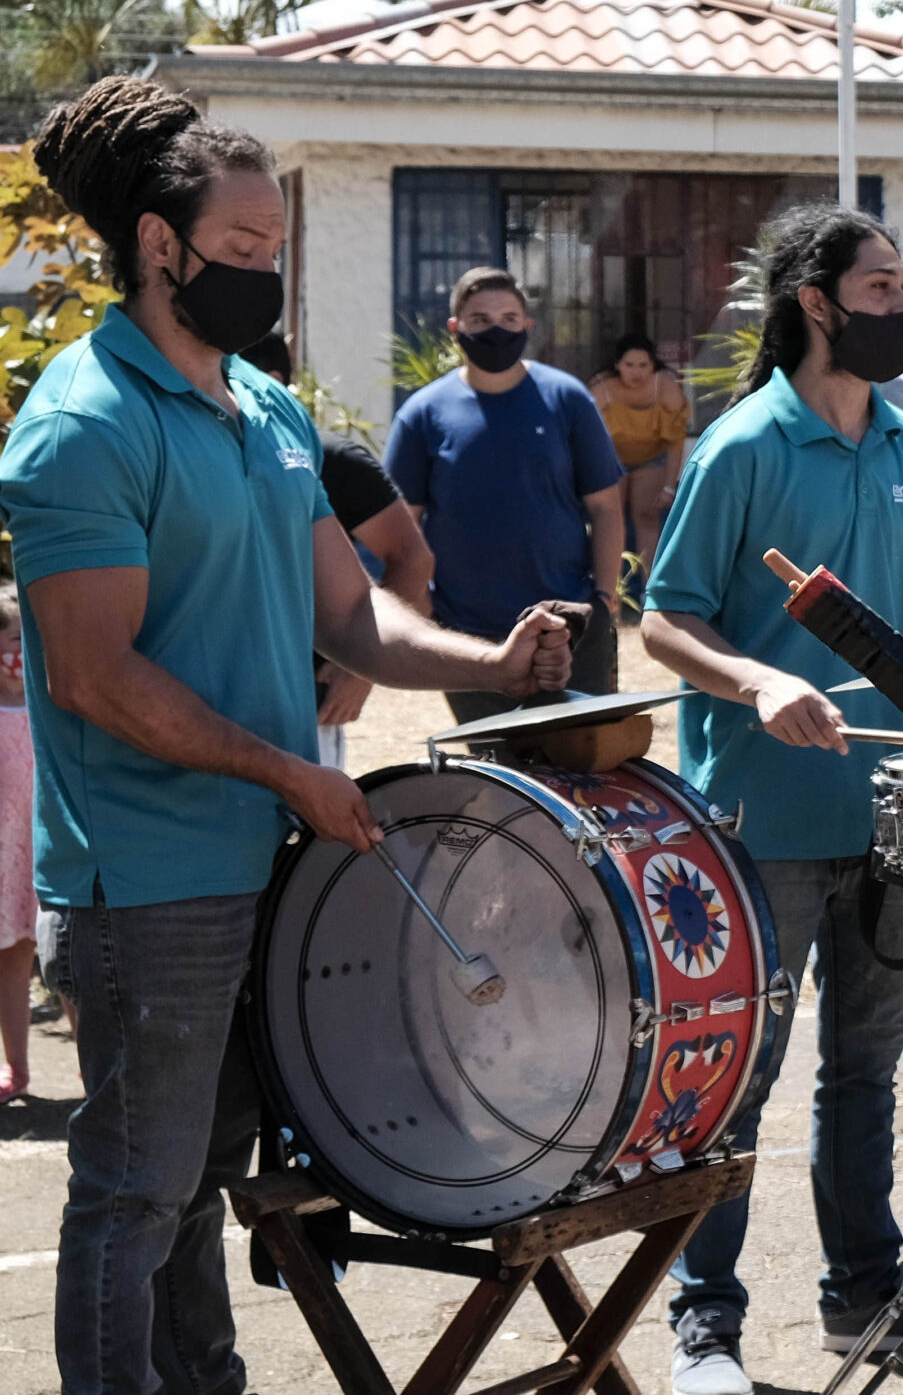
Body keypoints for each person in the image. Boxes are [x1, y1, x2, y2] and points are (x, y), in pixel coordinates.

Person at [3, 76, 570, 1395]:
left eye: (277, 251)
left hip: (270, 854)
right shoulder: (84, 423)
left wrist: (492, 658)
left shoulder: (262, 410)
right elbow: (91, 676)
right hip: (148, 878)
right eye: (246, 253)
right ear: (161, 247)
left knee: (208, 1179)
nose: (269, 277)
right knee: (134, 1194)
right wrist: (283, 769)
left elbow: (350, 610)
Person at [642, 204, 903, 1394]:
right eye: (881, 285)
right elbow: (663, 615)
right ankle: (706, 1326)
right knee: (733, 1074)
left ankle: (864, 1295)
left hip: (889, 812)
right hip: (759, 820)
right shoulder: (742, 446)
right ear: (817, 304)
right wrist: (758, 677)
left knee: (867, 1066)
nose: (901, 304)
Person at [387, 267, 625, 722]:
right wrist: (421, 606)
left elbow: (605, 505)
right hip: (470, 637)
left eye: (509, 318)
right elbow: (401, 523)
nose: (496, 329)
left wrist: (604, 596)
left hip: (568, 625)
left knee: (584, 764)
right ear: (455, 329)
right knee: (495, 775)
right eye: (479, 319)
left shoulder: (567, 399)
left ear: (527, 326)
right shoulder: (422, 414)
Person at [242, 334, 435, 769]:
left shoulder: (330, 460)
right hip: (207, 696)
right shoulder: (188, 455)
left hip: (306, 702)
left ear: (269, 381)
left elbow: (412, 558)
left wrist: (360, 670)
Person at [590, 331, 691, 595]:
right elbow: (583, 435)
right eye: (629, 365)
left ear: (653, 365)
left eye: (643, 365)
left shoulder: (665, 386)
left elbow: (676, 440)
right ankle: (610, 592)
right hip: (610, 457)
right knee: (611, 519)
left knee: (647, 516)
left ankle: (650, 590)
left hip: (652, 456)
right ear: (617, 365)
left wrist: (670, 486)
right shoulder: (601, 389)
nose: (636, 372)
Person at [0, 587, 30, 1104]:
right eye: (12, 641)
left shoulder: (56, 711)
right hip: (6, 862)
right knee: (12, 963)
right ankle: (18, 1068)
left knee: (69, 967)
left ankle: (95, 1072)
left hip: (47, 857)